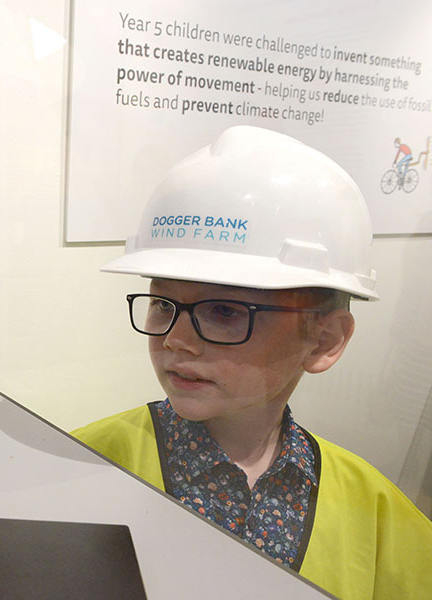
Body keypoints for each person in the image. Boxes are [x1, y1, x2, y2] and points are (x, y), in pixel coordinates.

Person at [72, 126, 432, 600]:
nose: (177, 340)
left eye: (225, 312)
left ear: (324, 340)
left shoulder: (381, 514)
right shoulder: (79, 466)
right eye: (162, 304)